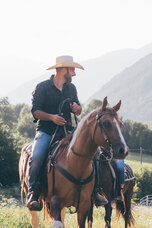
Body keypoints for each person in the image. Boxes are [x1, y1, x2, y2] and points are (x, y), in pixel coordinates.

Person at [26, 55, 108, 210]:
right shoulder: (42, 87)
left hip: (68, 131)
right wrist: (51, 117)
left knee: (94, 153)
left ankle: (96, 192)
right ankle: (33, 193)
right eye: (73, 70)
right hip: (46, 130)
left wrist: (77, 109)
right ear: (64, 70)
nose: (75, 74)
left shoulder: (71, 88)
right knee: (36, 156)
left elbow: (78, 108)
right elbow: (35, 111)